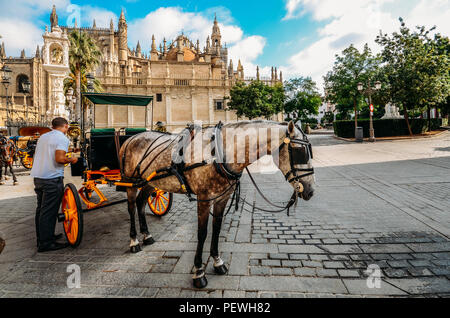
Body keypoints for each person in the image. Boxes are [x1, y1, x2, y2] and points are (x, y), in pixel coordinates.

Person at [31, 117, 78, 252]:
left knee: (41, 209)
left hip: (39, 177)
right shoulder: (62, 138)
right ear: (65, 126)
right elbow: (59, 159)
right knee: (49, 212)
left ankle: (43, 237)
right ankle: (46, 243)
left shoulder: (43, 137)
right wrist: (72, 159)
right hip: (51, 178)